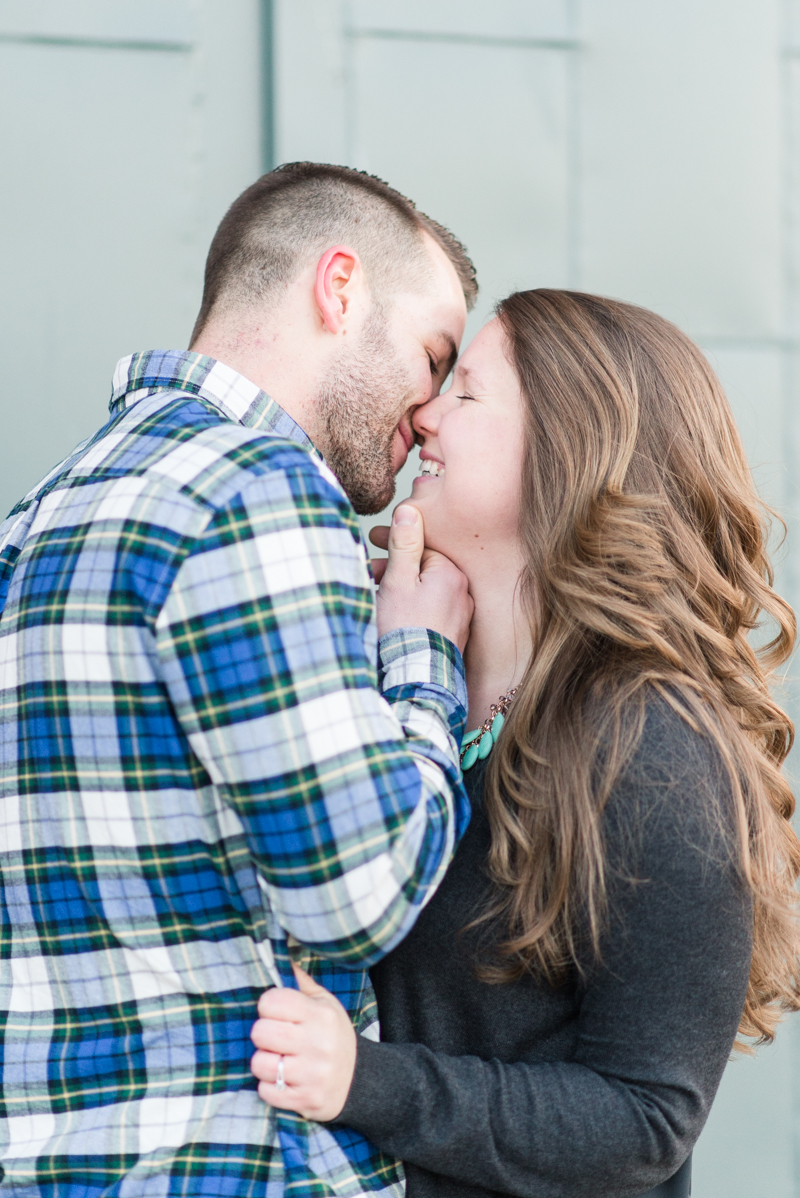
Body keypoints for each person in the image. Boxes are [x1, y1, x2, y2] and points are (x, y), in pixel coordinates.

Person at [250, 290, 800, 1198]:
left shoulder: (654, 745)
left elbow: (645, 1118)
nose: (423, 412)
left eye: (466, 394)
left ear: (570, 447)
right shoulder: (399, 680)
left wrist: (364, 1082)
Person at [0, 163, 479, 1196]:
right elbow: (358, 892)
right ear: (337, 288)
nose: (432, 412)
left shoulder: (41, 512)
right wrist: (421, 655)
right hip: (237, 1164)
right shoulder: (258, 492)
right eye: (433, 357)